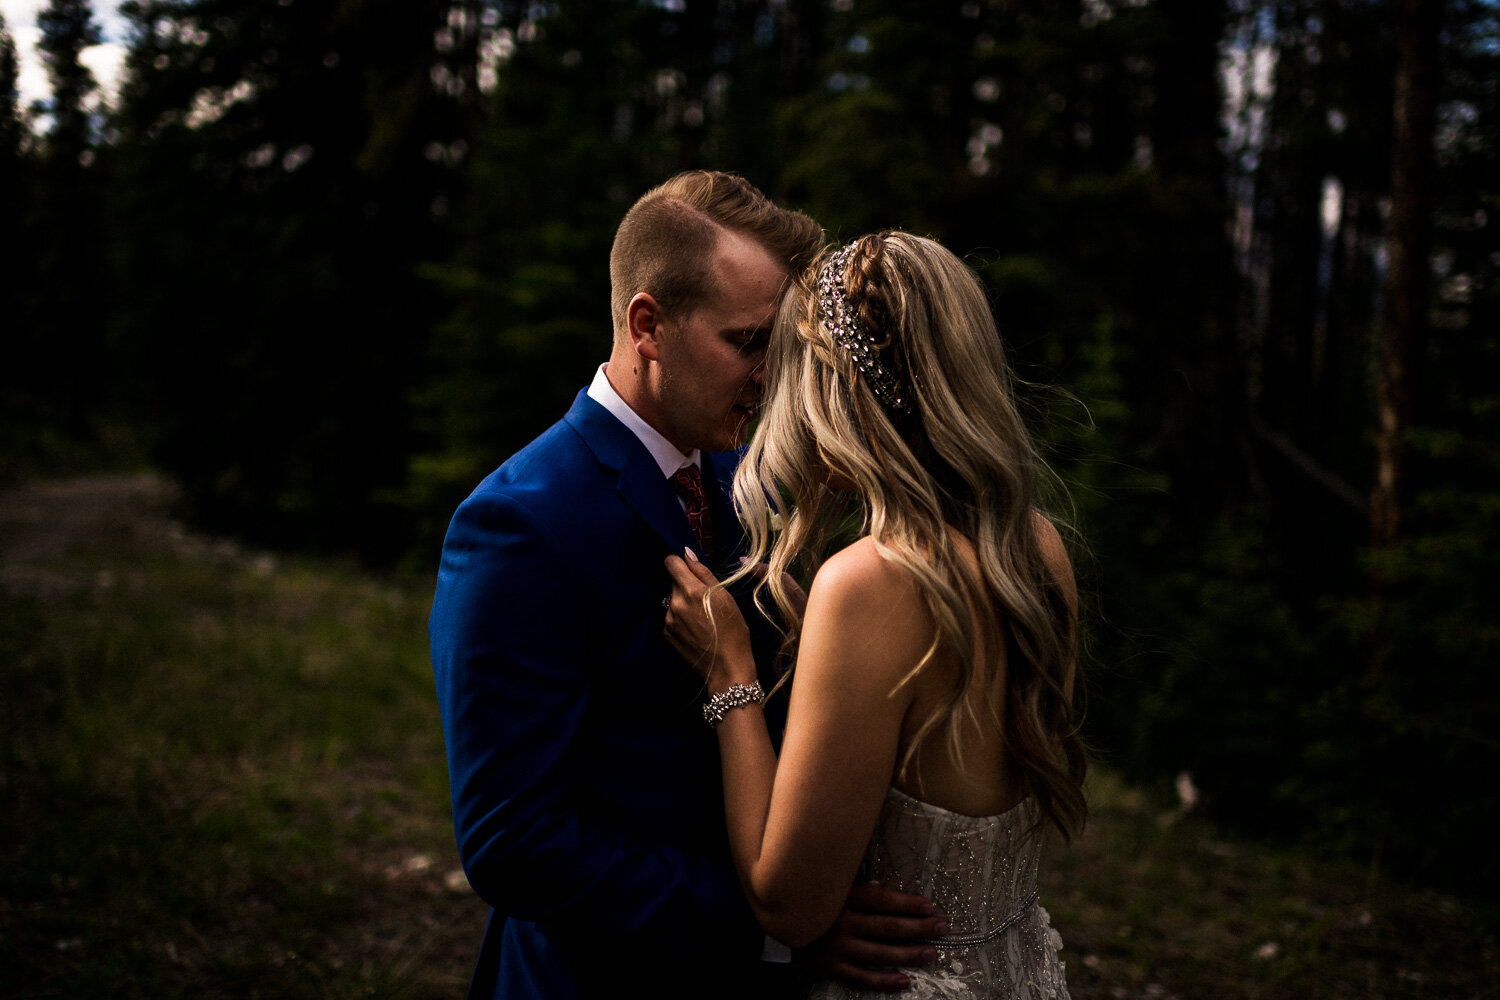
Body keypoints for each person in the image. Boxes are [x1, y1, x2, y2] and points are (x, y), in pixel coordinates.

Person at [430, 174, 947, 1000]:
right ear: (648, 326)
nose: (770, 375)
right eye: (747, 343)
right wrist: (779, 926)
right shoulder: (520, 525)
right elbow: (514, 845)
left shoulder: (750, 478)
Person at [663, 231, 1088, 998]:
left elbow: (785, 902)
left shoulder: (871, 584)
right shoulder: (1038, 549)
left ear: (840, 389)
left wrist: (729, 673)